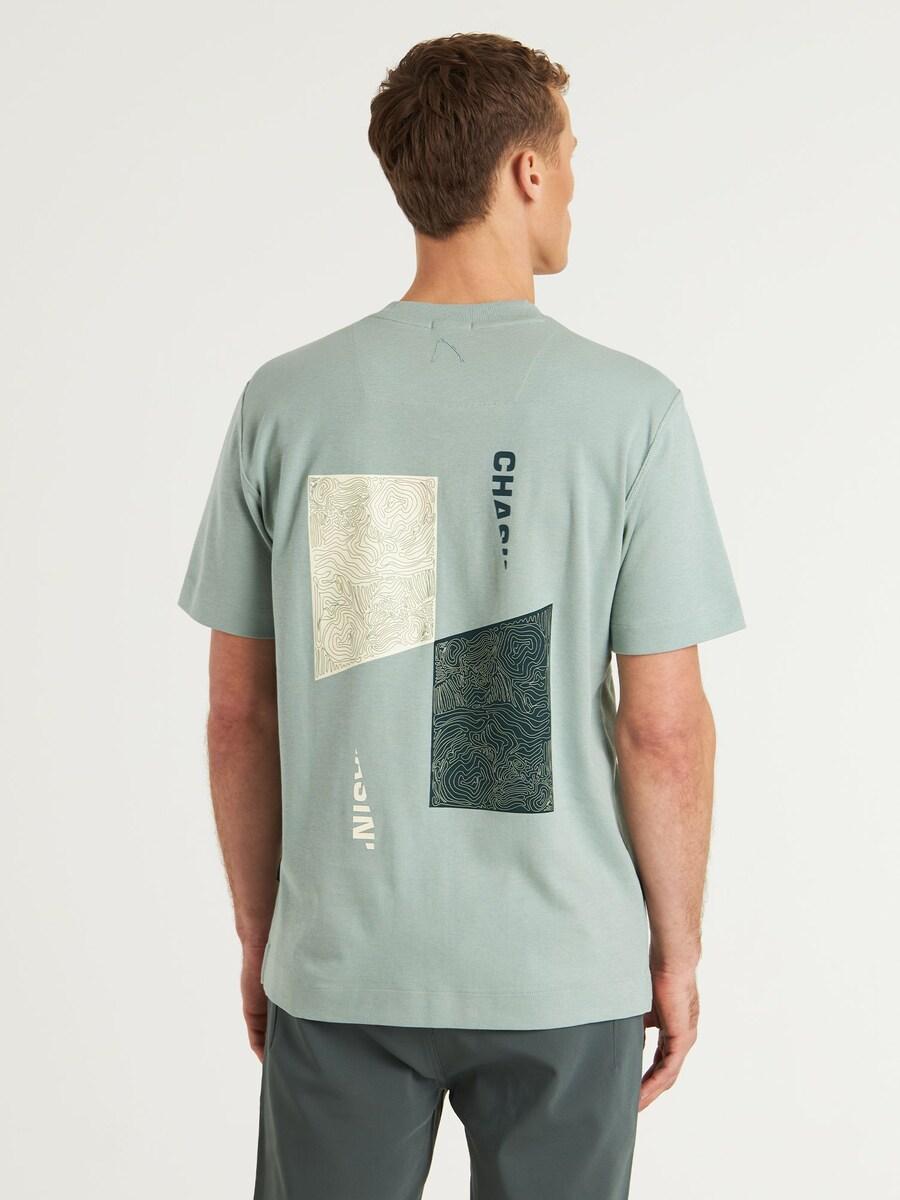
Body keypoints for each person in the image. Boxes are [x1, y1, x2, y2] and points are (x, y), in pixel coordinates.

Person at [178, 31, 745, 1200]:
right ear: (527, 171)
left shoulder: (287, 403)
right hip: (562, 969)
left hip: (345, 960)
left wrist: (264, 934)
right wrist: (678, 953)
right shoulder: (632, 413)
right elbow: (662, 732)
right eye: (569, 153)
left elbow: (241, 715)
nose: (576, 181)